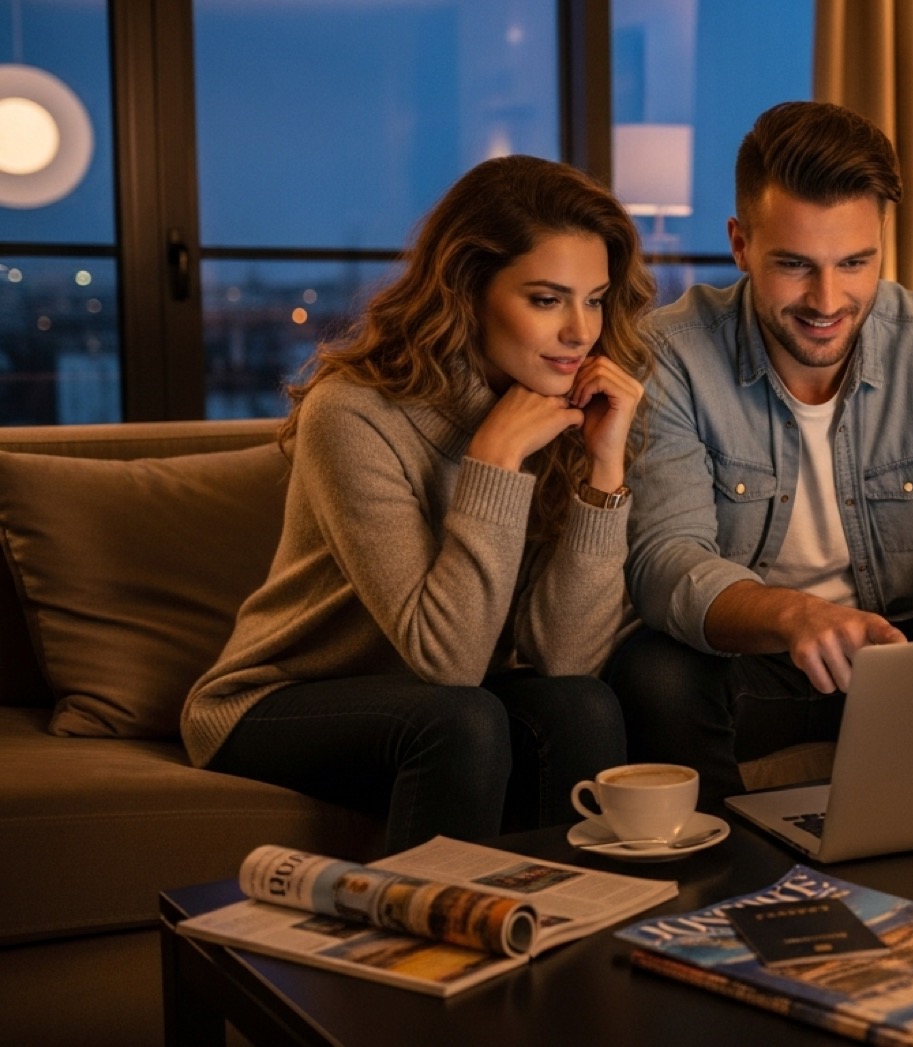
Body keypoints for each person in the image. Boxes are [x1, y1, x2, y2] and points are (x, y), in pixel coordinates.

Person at [606, 101, 913, 802]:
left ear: (882, 241)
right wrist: (797, 616)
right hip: (756, 660)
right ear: (740, 244)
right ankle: (726, 863)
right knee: (655, 673)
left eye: (855, 262)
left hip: (902, 650)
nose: (827, 300)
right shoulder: (672, 356)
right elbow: (667, 562)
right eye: (794, 265)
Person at [182, 155, 653, 854]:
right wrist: (493, 462)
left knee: (583, 705)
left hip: (444, 703)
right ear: (469, 291)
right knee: (463, 720)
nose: (581, 332)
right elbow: (450, 665)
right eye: (547, 300)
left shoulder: (558, 407)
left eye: (595, 299)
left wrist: (604, 473)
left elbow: (568, 657)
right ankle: (431, 925)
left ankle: (568, 918)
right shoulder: (354, 413)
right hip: (282, 700)